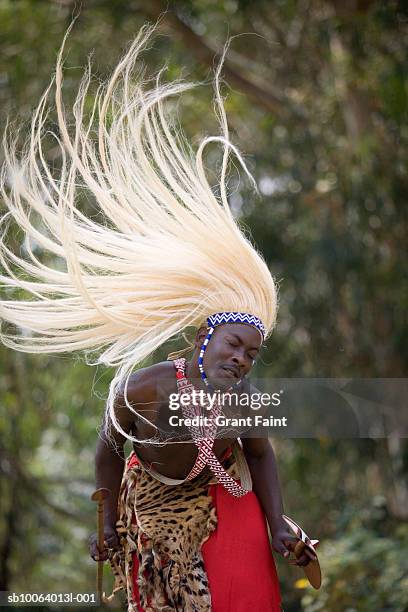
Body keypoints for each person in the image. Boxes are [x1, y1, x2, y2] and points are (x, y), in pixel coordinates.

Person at [0, 23, 316, 612]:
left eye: (252, 354)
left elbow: (261, 454)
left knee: (245, 598)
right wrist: (108, 523)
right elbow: (106, 450)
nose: (242, 360)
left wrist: (279, 523)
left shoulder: (243, 398)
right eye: (234, 346)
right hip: (156, 508)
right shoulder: (144, 388)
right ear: (203, 337)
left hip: (229, 497)